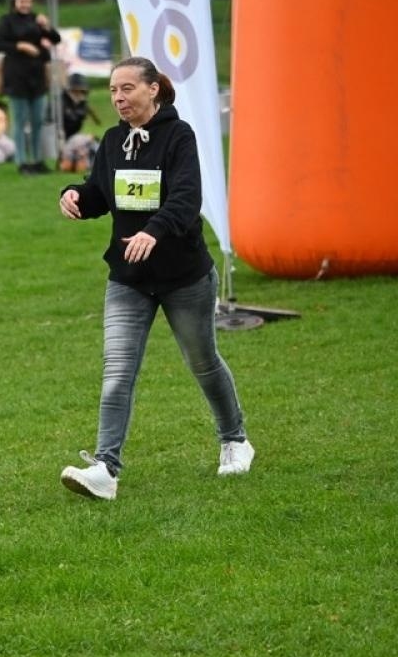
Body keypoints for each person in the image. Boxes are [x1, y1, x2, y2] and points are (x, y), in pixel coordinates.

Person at [56, 56, 253, 501]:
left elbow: (186, 199)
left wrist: (153, 231)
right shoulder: (113, 140)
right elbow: (100, 193)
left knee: (203, 362)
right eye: (113, 90)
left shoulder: (179, 136)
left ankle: (235, 440)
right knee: (117, 371)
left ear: (153, 90)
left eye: (127, 88)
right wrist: (74, 196)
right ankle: (105, 469)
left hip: (185, 277)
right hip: (128, 279)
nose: (118, 98)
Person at [0, 0, 61, 174]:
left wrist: (46, 26)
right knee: (20, 121)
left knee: (38, 120)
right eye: (22, 1)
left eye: (28, 1)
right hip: (17, 77)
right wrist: (20, 46)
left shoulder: (36, 19)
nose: (26, 5)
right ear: (14, 2)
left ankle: (37, 160)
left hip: (37, 76)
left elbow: (56, 39)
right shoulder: (7, 21)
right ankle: (21, 162)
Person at [61, 72, 102, 140]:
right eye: (75, 91)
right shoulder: (61, 103)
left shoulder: (82, 105)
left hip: (73, 137)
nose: (79, 94)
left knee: (94, 143)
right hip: (60, 139)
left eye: (82, 91)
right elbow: (70, 120)